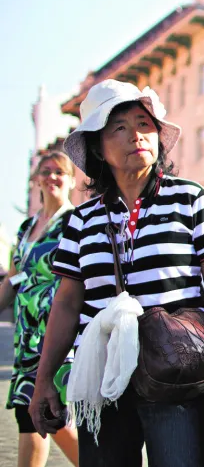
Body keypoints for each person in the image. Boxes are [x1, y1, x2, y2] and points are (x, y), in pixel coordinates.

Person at [30, 80, 204, 467]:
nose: (137, 135)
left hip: (176, 369)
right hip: (102, 376)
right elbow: (66, 303)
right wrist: (43, 379)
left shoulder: (189, 198)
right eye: (120, 127)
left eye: (145, 124)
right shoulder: (82, 220)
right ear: (98, 147)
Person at [0, 151, 79, 467]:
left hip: (56, 341)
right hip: (26, 340)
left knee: (51, 419)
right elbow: (12, 279)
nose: (52, 177)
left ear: (72, 180)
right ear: (36, 180)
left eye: (60, 171)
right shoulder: (26, 227)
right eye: (45, 171)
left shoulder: (76, 223)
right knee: (29, 421)